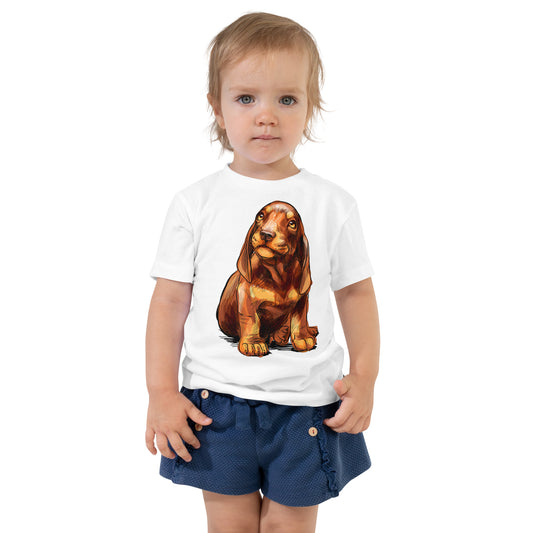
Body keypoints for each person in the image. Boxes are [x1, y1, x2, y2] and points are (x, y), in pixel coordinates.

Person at [145, 11, 380, 533]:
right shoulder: (194, 203)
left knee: (287, 527)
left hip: (307, 404)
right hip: (215, 403)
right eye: (246, 98)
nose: (266, 116)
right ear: (217, 106)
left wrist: (365, 377)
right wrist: (161, 392)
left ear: (310, 107)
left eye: (287, 99)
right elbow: (169, 302)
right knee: (229, 524)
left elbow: (357, 295)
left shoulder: (333, 204)